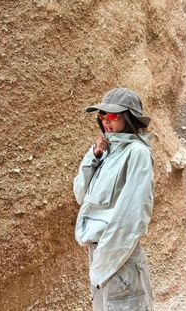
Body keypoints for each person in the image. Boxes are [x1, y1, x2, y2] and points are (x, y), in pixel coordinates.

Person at [73, 87, 154, 311]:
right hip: (100, 253)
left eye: (112, 115)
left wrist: (106, 261)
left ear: (128, 118)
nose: (105, 121)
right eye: (102, 115)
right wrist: (94, 157)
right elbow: (81, 194)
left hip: (118, 256)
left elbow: (133, 215)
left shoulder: (137, 153)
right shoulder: (107, 152)